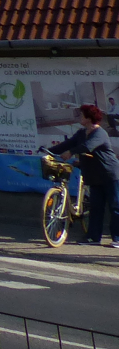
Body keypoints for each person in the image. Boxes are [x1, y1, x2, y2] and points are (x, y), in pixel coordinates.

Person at [50, 104, 119, 247]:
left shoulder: (100, 133)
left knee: (115, 207)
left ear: (89, 117)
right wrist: (49, 151)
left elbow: (87, 146)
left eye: (81, 115)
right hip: (94, 176)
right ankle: (93, 238)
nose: (79, 117)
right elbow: (67, 144)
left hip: (110, 175)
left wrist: (71, 152)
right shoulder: (81, 133)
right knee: (95, 208)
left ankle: (117, 238)